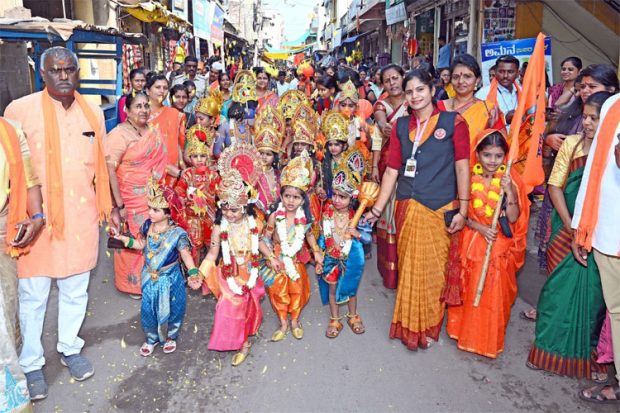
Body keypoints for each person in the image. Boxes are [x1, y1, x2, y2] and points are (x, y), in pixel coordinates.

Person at [3, 46, 113, 399]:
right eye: (55, 70)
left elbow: (99, 168)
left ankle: (70, 347)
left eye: (69, 70)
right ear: (43, 74)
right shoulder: (19, 111)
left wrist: (113, 209)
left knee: (75, 289)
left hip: (80, 217)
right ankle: (32, 363)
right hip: (36, 218)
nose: (63, 76)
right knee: (33, 295)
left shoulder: (92, 112)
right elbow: (12, 169)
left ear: (76, 72)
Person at [363, 69, 470, 350]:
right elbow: (391, 172)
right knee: (410, 266)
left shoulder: (454, 122)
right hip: (407, 205)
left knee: (434, 271)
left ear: (433, 91)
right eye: (409, 92)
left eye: (420, 90)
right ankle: (410, 324)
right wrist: (376, 210)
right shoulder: (400, 127)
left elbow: (462, 166)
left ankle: (430, 325)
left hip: (440, 205)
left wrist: (465, 208)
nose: (415, 96)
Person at [527, 92, 612, 379]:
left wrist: (588, 228)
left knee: (592, 301)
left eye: (594, 118)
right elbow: (555, 186)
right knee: (555, 294)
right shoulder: (572, 145)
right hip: (566, 231)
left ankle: (586, 357)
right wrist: (571, 224)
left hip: (599, 234)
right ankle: (547, 350)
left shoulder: (613, 152)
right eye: (585, 116)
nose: (586, 123)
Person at [446, 130, 529, 358]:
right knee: (468, 287)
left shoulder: (512, 181)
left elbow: (513, 218)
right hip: (471, 239)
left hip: (498, 245)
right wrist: (479, 227)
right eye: (487, 155)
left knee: (492, 291)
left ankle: (485, 340)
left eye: (498, 156)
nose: (492, 161)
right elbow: (459, 213)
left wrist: (509, 191)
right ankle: (461, 331)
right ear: (478, 154)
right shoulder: (468, 178)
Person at [111, 177, 201, 356]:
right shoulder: (147, 226)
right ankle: (151, 338)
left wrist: (193, 272)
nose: (150, 213)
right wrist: (122, 238)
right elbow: (140, 245)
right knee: (147, 309)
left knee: (175, 308)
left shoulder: (177, 234)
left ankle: (171, 337)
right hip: (150, 276)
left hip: (171, 277)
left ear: (168, 213)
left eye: (155, 210)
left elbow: (185, 255)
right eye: (149, 208)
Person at [199, 146, 266, 366]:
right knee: (229, 307)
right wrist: (199, 273)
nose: (229, 213)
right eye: (225, 208)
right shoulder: (220, 228)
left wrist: (272, 258)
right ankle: (241, 343)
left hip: (249, 270)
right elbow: (211, 254)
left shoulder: (252, 223)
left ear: (245, 208)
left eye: (234, 209)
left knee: (247, 307)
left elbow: (260, 243)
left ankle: (244, 338)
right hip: (228, 273)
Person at [574, 93, 620, 404]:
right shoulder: (612, 106)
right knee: (617, 312)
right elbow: (596, 169)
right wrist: (582, 224)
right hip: (611, 232)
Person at [105, 92, 169, 297]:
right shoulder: (119, 134)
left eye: (146, 106)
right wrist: (119, 205)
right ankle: (132, 284)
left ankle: (154, 279)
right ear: (127, 110)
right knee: (133, 238)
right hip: (129, 200)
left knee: (154, 236)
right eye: (138, 106)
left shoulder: (153, 132)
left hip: (153, 197)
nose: (143, 110)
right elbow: (109, 170)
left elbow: (161, 166)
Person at [0, 116, 44, 409]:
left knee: (7, 311)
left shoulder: (10, 131)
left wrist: (37, 217)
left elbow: (28, 179)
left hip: (4, 234)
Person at [259, 151, 324, 342]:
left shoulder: (303, 218)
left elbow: (310, 235)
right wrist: (270, 257)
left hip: (295, 258)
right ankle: (283, 323)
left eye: (296, 197)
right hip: (278, 258)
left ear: (303, 200)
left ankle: (295, 320)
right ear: (281, 196)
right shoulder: (274, 216)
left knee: (297, 289)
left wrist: (317, 253)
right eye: (287, 196)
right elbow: (264, 239)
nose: (290, 201)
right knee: (277, 291)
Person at [318, 149, 372, 338]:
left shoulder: (357, 217)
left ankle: (353, 315)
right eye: (335, 195)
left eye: (343, 197)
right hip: (332, 259)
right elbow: (322, 238)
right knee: (332, 288)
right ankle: (335, 318)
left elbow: (367, 238)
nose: (337, 200)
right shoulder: (327, 213)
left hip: (350, 260)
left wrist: (357, 233)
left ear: (352, 199)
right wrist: (319, 256)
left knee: (350, 289)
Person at [372, 64, 408, 289]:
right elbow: (381, 121)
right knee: (390, 213)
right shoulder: (380, 104)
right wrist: (386, 126)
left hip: (413, 167)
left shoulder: (414, 102)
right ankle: (392, 273)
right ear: (382, 85)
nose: (393, 83)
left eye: (396, 78)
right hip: (389, 166)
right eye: (387, 80)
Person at [438, 54, 504, 154]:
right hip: (441, 167)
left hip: (475, 168)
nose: (460, 81)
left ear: (477, 80)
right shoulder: (437, 108)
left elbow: (501, 147)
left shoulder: (488, 110)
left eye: (467, 76)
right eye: (456, 77)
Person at [174, 126, 220, 265]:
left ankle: (209, 273)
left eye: (203, 156)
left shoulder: (213, 175)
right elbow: (179, 191)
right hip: (192, 217)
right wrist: (185, 197)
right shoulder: (187, 174)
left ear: (208, 156)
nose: (199, 159)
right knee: (195, 246)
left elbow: (220, 193)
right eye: (195, 156)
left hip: (210, 216)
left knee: (212, 245)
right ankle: (195, 273)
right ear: (190, 157)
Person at [146, 73, 185, 182]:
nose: (162, 91)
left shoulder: (176, 115)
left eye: (165, 88)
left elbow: (180, 145)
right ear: (148, 90)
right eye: (158, 87)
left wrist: (183, 170)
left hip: (173, 174)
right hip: (148, 173)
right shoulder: (140, 116)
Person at [475, 55, 521, 125]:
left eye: (510, 72)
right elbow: (477, 123)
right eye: (501, 72)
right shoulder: (483, 95)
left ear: (518, 73)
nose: (505, 76)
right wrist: (505, 119)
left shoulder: (523, 92)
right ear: (495, 72)